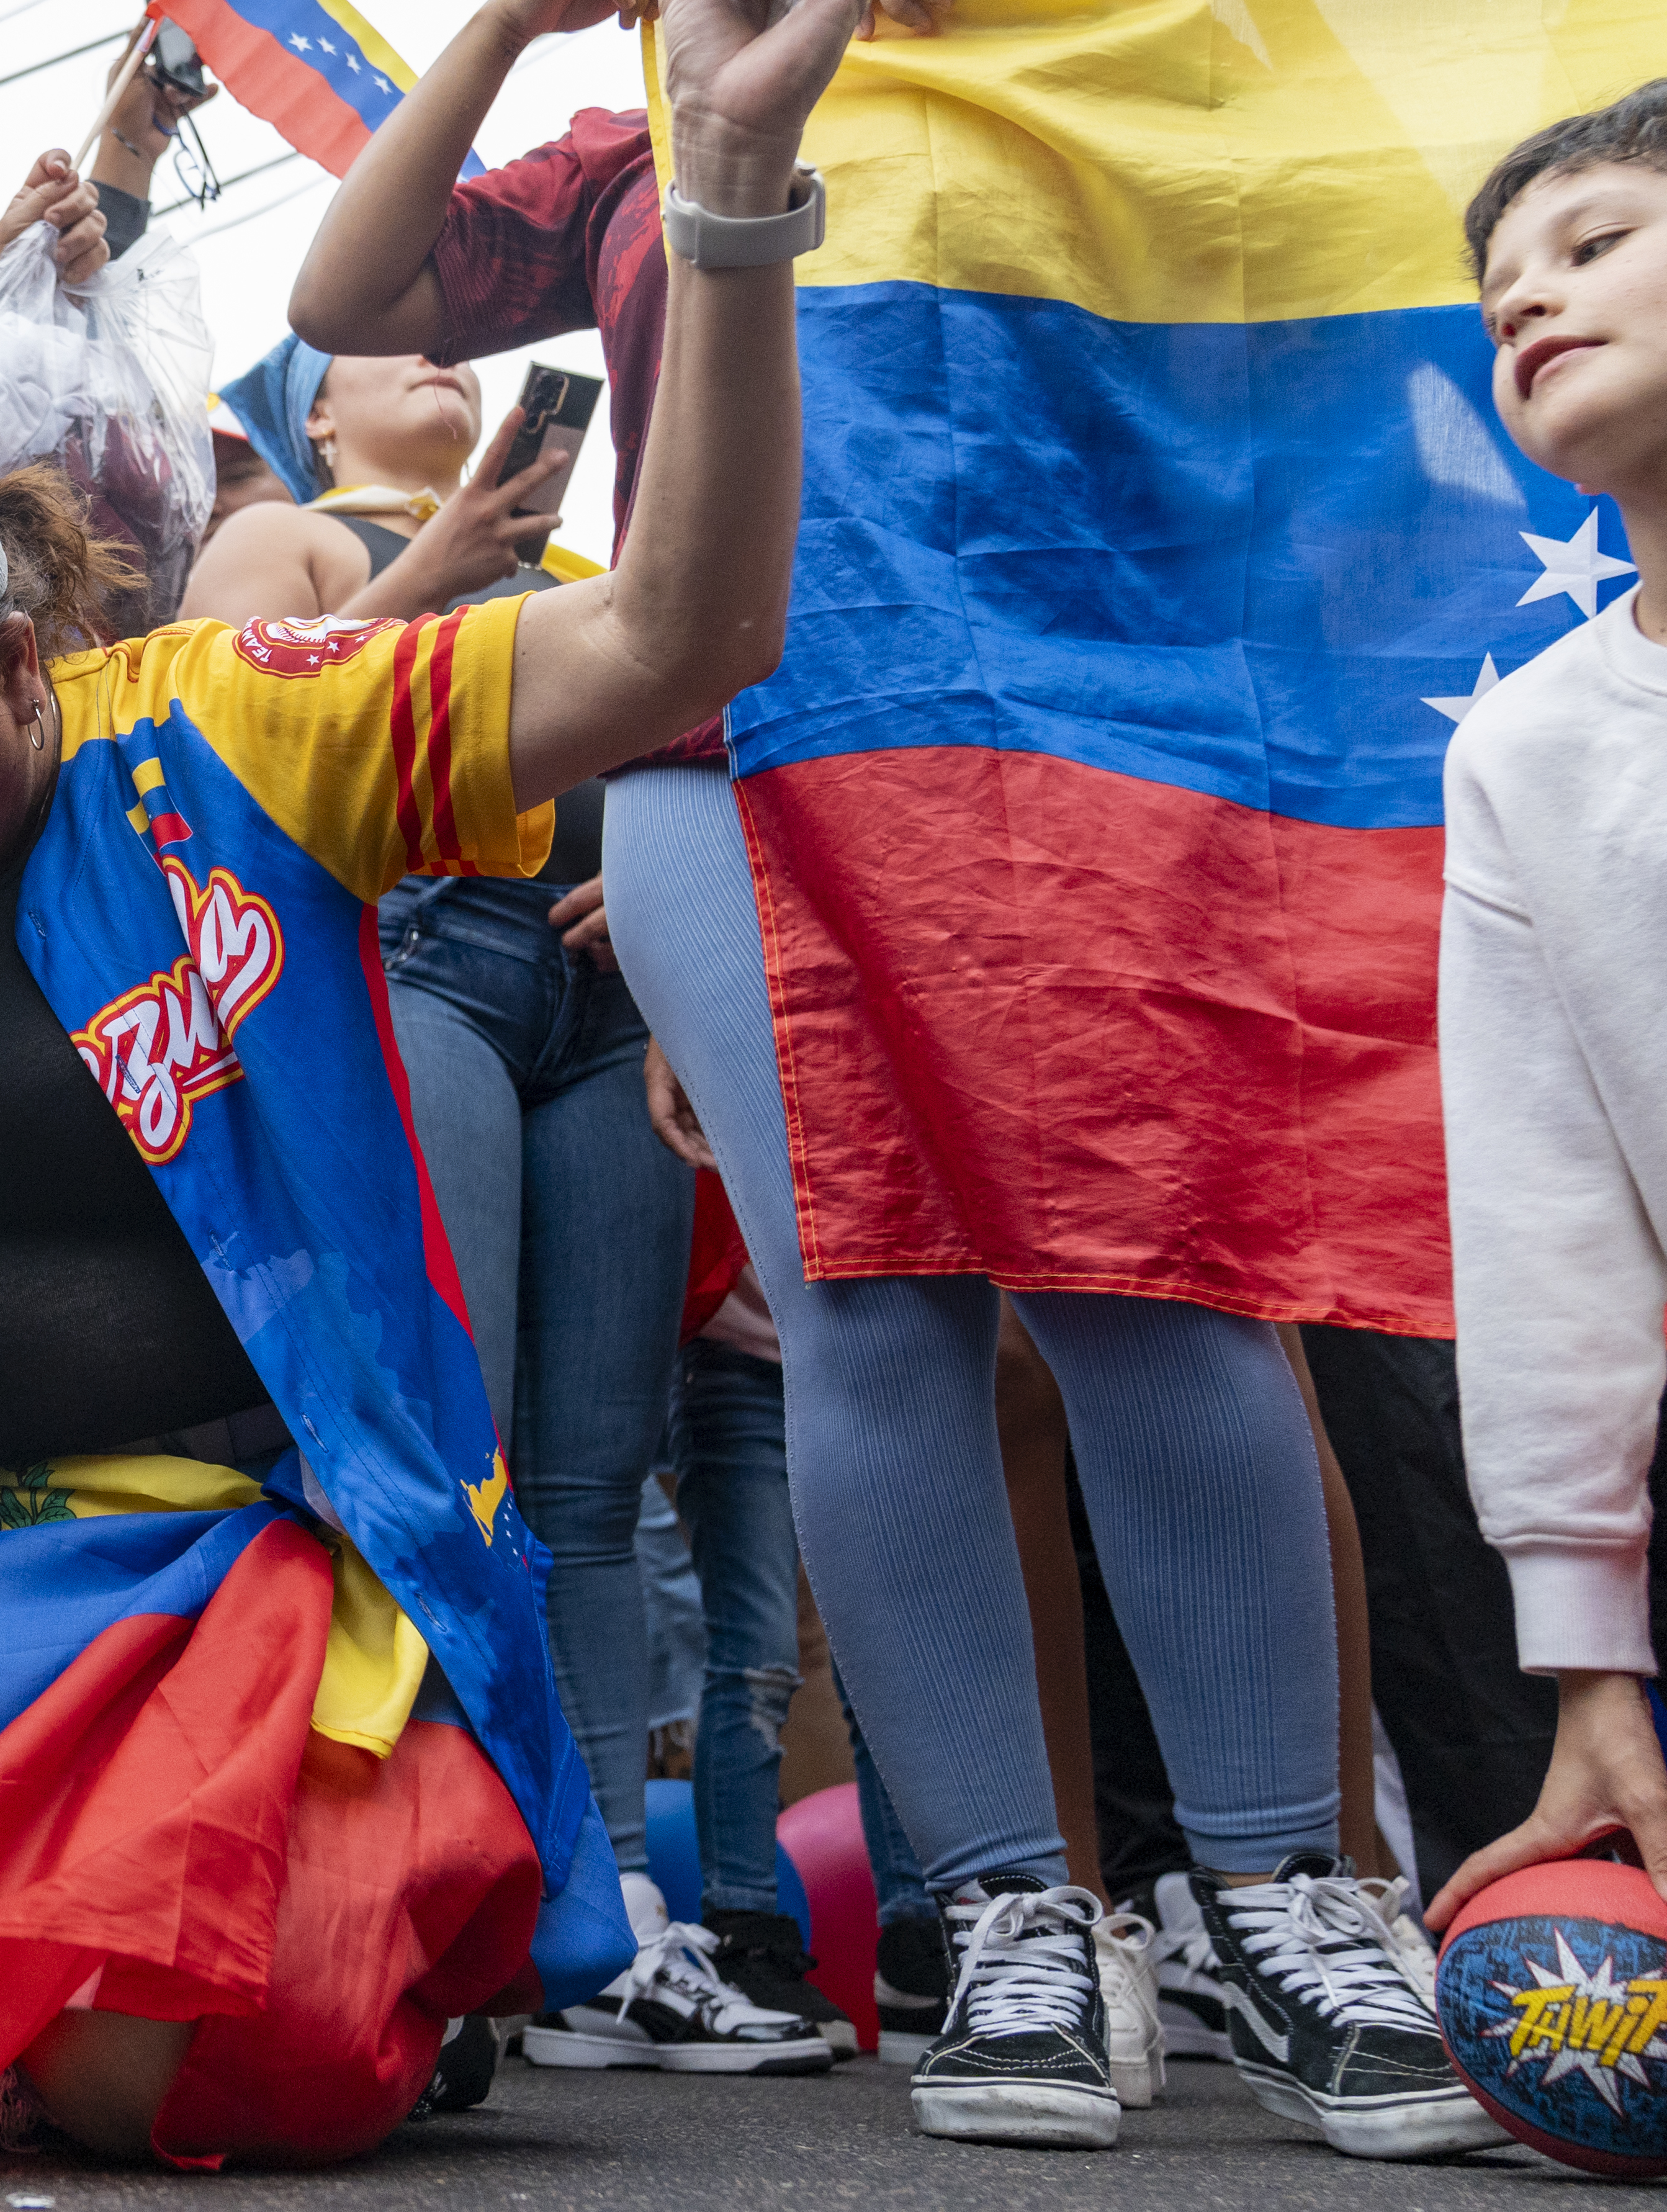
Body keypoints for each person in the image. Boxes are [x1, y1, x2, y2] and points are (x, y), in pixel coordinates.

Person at [0, 0, 863, 2157]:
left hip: (235, 1599)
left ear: (14, 657)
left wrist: (715, 203)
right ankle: (18, 1951)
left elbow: (677, 640)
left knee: (181, 2048)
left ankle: (363, 1924)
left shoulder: (223, 726)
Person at [294, 0, 1477, 2160]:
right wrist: (498, 26)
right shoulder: (639, 113)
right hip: (736, 760)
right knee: (861, 1305)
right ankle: (1012, 1912)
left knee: (1150, 1279)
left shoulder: (1158, 49)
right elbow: (347, 298)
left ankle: (1286, 1890)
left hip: (1114, 732)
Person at [187, 334, 823, 2072]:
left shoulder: (587, 564)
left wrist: (672, 870)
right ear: (307, 413)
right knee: (433, 1449)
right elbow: (208, 737)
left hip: (610, 998)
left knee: (593, 1474)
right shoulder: (295, 538)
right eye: (388, 356)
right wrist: (429, 572)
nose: (443, 369)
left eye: (456, 351)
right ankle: (434, 1904)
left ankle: (610, 1905)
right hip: (421, 960)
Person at [1424, 83, 1667, 1935]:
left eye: (1594, 246)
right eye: (1498, 291)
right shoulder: (1524, 745)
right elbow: (1543, 1218)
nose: (1527, 302)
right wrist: (1591, 1664)